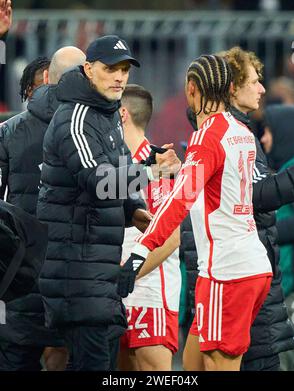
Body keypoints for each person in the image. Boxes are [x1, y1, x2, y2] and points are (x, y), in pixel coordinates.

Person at [118, 54, 273, 371]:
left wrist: (137, 257)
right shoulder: (241, 133)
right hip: (249, 265)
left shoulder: (206, 138)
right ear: (230, 88)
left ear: (191, 89)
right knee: (192, 365)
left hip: (225, 274)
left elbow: (178, 203)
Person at [37, 35, 181, 371]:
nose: (119, 77)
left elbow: (114, 173)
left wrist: (134, 211)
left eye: (124, 70)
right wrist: (150, 170)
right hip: (76, 271)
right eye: (110, 69)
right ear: (88, 69)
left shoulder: (107, 115)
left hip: (97, 271)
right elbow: (98, 182)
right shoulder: (75, 116)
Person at [182, 47, 294, 371]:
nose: (262, 88)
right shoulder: (229, 138)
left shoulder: (233, 135)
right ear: (232, 87)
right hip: (232, 276)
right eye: (254, 80)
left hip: (233, 277)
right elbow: (257, 196)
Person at [0, 47, 86, 371]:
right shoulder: (92, 133)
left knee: (15, 357)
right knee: (62, 356)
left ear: (47, 79)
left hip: (17, 274)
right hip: (71, 274)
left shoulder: (7, 133)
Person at [118, 84, 181, 371]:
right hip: (117, 292)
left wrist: (127, 275)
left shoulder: (162, 166)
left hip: (149, 292)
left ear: (121, 115)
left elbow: (171, 237)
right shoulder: (115, 165)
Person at [262, 104, 294, 370]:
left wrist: (267, 230)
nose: (263, 138)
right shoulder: (287, 172)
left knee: (288, 360)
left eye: (269, 131)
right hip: (286, 287)